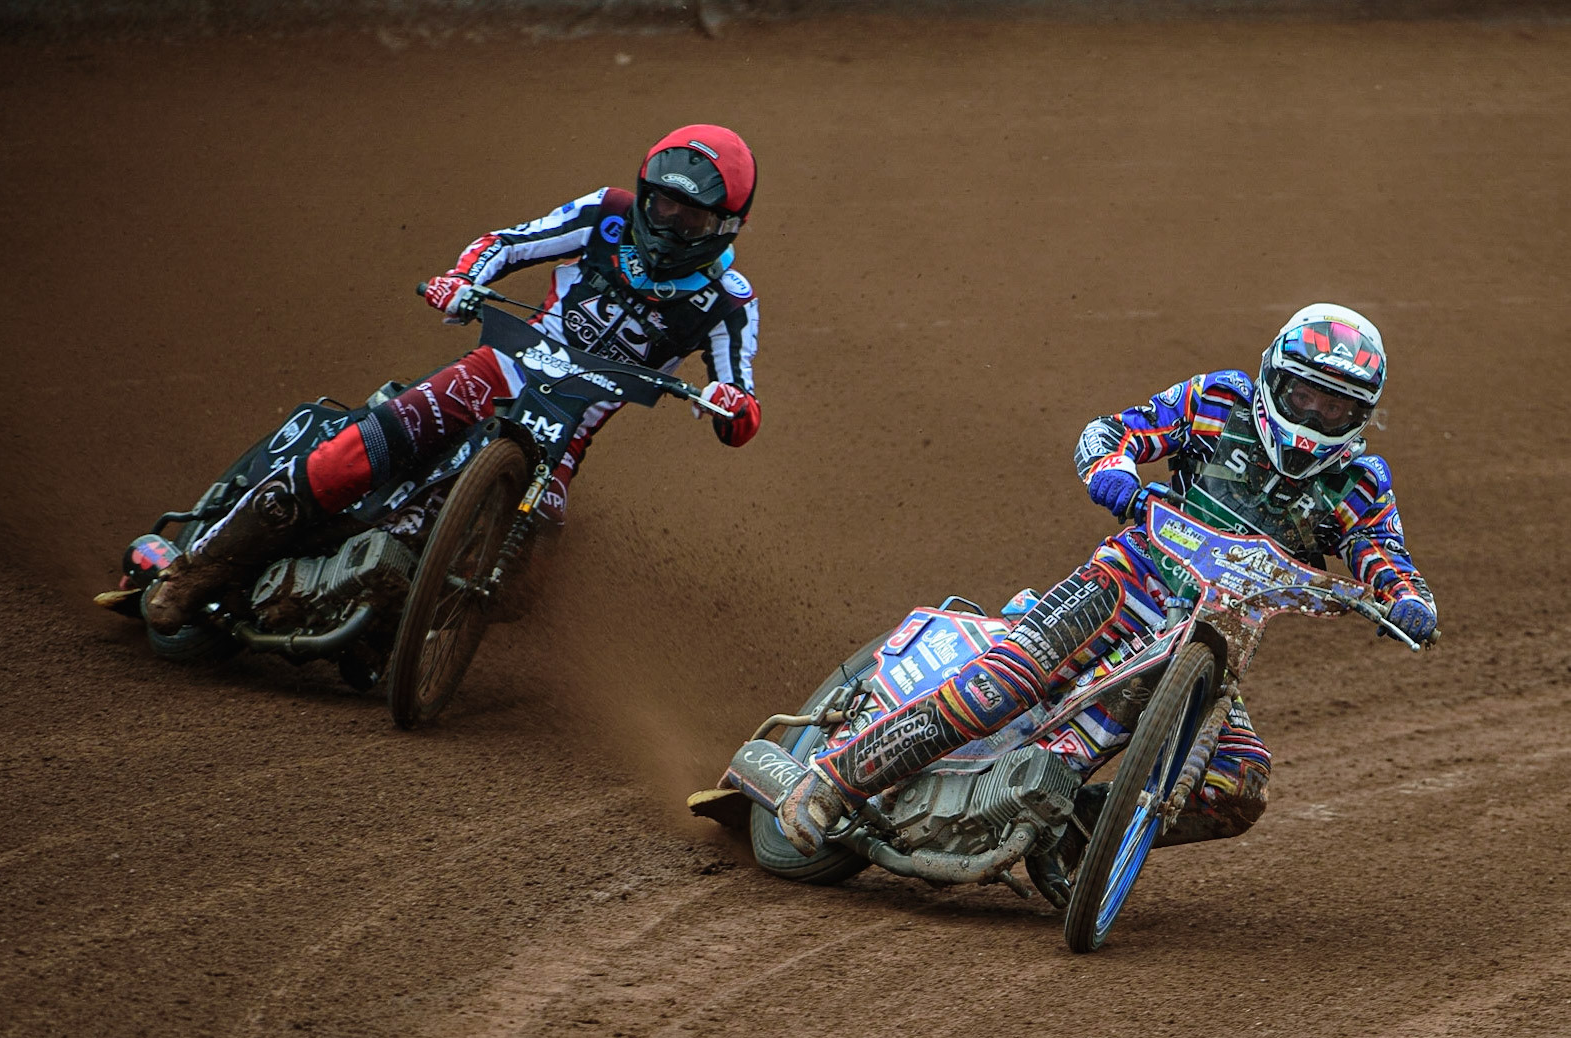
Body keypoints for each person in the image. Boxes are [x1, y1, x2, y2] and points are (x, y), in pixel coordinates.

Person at [778, 304, 1438, 904]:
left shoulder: (1358, 482)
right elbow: (1112, 433)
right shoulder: (1217, 401)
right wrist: (1117, 478)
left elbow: (1383, 554)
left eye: (1335, 405)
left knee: (1240, 782)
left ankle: (1073, 833)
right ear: (1274, 378)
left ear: (1360, 415)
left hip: (1218, 635)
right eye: (1306, 393)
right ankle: (834, 780)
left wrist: (1406, 601)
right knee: (998, 689)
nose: (1317, 415)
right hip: (1129, 581)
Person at [146, 124, 762, 635]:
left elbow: (742, 405)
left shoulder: (730, 302)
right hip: (494, 370)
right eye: (663, 204)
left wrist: (730, 404)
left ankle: (404, 620)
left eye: (691, 220)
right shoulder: (606, 215)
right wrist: (462, 279)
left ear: (725, 227)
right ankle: (196, 570)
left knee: (525, 584)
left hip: (565, 432)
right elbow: (509, 243)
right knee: (359, 451)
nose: (669, 222)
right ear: (644, 192)